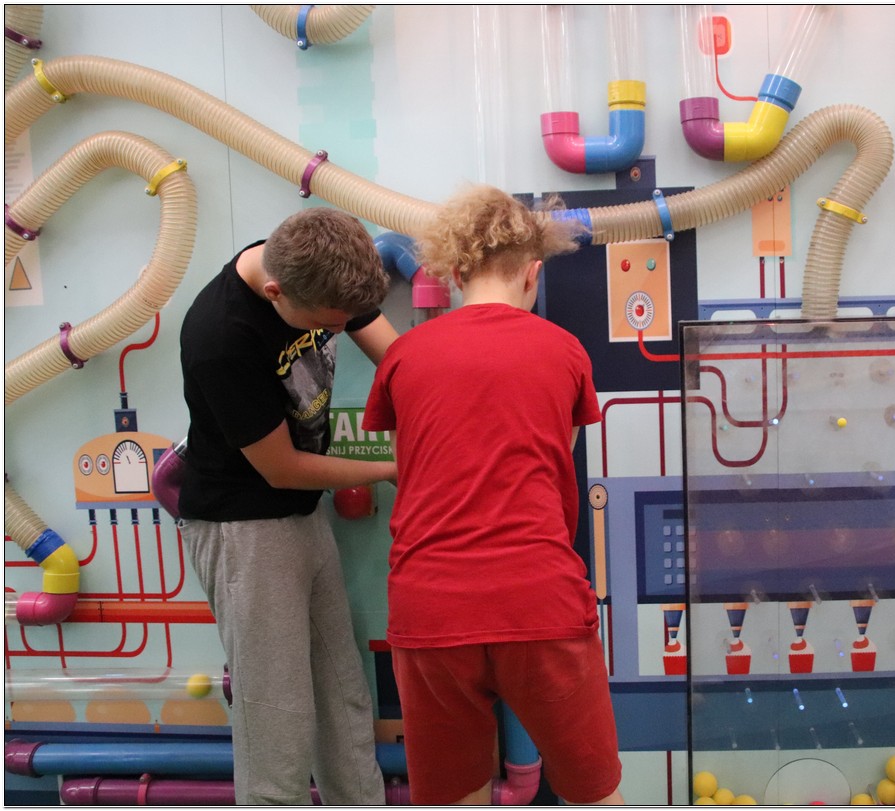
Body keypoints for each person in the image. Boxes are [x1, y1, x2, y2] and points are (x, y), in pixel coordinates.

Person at [362, 185, 624, 805]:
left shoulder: (402, 356)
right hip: (539, 599)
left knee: (455, 797)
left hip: (431, 607)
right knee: (595, 795)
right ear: (533, 273)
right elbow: (556, 461)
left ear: (454, 274)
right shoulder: (564, 351)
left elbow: (411, 467)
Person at [177, 207, 397, 805]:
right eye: (329, 324)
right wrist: (395, 468)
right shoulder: (219, 336)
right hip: (242, 526)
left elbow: (399, 359)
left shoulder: (316, 266)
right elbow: (282, 468)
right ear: (276, 292)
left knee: (342, 697)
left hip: (301, 515)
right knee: (277, 719)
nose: (341, 330)